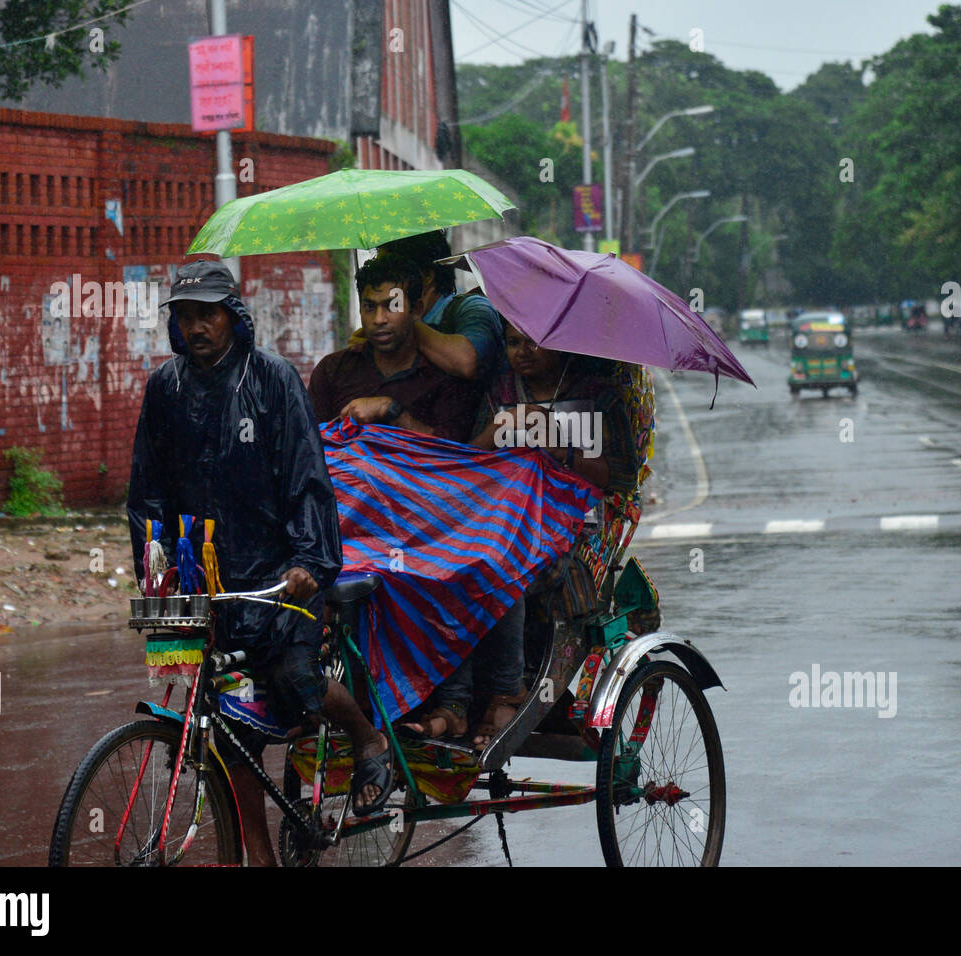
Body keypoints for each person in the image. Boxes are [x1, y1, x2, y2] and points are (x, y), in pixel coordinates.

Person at [127, 260, 390, 865]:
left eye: (208, 314)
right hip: (206, 580)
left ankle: (365, 736)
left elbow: (306, 480)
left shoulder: (273, 380)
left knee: (293, 676)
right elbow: (149, 492)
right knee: (226, 734)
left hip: (277, 573)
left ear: (233, 316)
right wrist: (155, 566)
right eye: (185, 317)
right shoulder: (165, 389)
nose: (196, 327)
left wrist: (308, 561)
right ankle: (258, 856)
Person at [400, 322, 640, 749]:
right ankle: (454, 706)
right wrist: (493, 436)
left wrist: (560, 449)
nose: (523, 352)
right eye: (512, 343)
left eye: (534, 342)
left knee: (501, 567)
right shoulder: (500, 395)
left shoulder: (599, 395)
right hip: (505, 526)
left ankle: (506, 691)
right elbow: (471, 467)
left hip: (577, 533)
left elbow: (621, 477)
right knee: (451, 568)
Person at [308, 253, 481, 438]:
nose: (379, 319)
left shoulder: (444, 377)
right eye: (369, 307)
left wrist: (391, 411)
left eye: (392, 306)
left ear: (416, 310)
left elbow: (452, 456)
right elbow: (308, 445)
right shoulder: (333, 370)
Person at [371, 230, 505, 386]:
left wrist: (404, 325)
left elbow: (466, 362)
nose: (381, 279)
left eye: (390, 271)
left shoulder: (473, 308)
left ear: (427, 276)